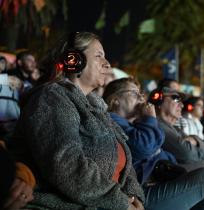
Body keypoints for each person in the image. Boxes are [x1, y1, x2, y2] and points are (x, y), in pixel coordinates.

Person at [8, 32, 144, 210]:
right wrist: (121, 203)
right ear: (74, 60)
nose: (107, 64)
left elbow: (126, 162)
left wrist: (136, 198)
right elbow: (65, 164)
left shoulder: (98, 108)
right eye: (98, 56)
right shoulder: (51, 98)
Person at [103, 78, 204, 210]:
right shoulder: (114, 122)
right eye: (133, 93)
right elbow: (145, 146)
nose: (140, 97)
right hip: (141, 194)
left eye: (140, 93)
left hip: (161, 183)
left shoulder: (138, 124)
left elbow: (172, 153)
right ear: (115, 101)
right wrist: (150, 119)